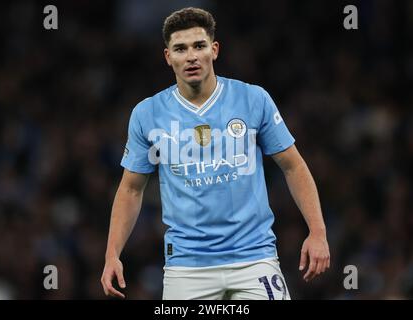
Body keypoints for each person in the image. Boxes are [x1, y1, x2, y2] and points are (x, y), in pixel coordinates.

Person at [101, 7, 330, 300]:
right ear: (168, 57)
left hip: (254, 259)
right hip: (186, 267)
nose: (192, 56)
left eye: (199, 45)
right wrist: (112, 254)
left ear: (215, 49)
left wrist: (318, 232)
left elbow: (293, 166)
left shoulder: (253, 99)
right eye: (180, 49)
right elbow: (131, 189)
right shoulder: (147, 114)